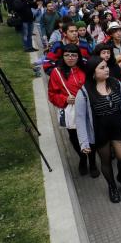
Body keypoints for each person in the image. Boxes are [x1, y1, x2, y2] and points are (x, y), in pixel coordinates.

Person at [75, 56, 121, 203]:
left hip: (118, 126)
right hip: (100, 130)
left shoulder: (116, 83)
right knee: (106, 161)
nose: (106, 69)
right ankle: (112, 186)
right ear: (93, 73)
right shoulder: (84, 92)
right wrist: (84, 142)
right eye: (102, 68)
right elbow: (80, 118)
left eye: (106, 66)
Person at [47, 44, 98, 177]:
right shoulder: (56, 72)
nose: (70, 58)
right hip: (72, 112)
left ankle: (92, 162)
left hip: (88, 109)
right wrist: (64, 99)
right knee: (75, 138)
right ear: (62, 56)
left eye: (73, 55)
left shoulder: (85, 69)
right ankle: (82, 158)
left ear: (78, 56)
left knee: (91, 136)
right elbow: (52, 94)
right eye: (67, 55)